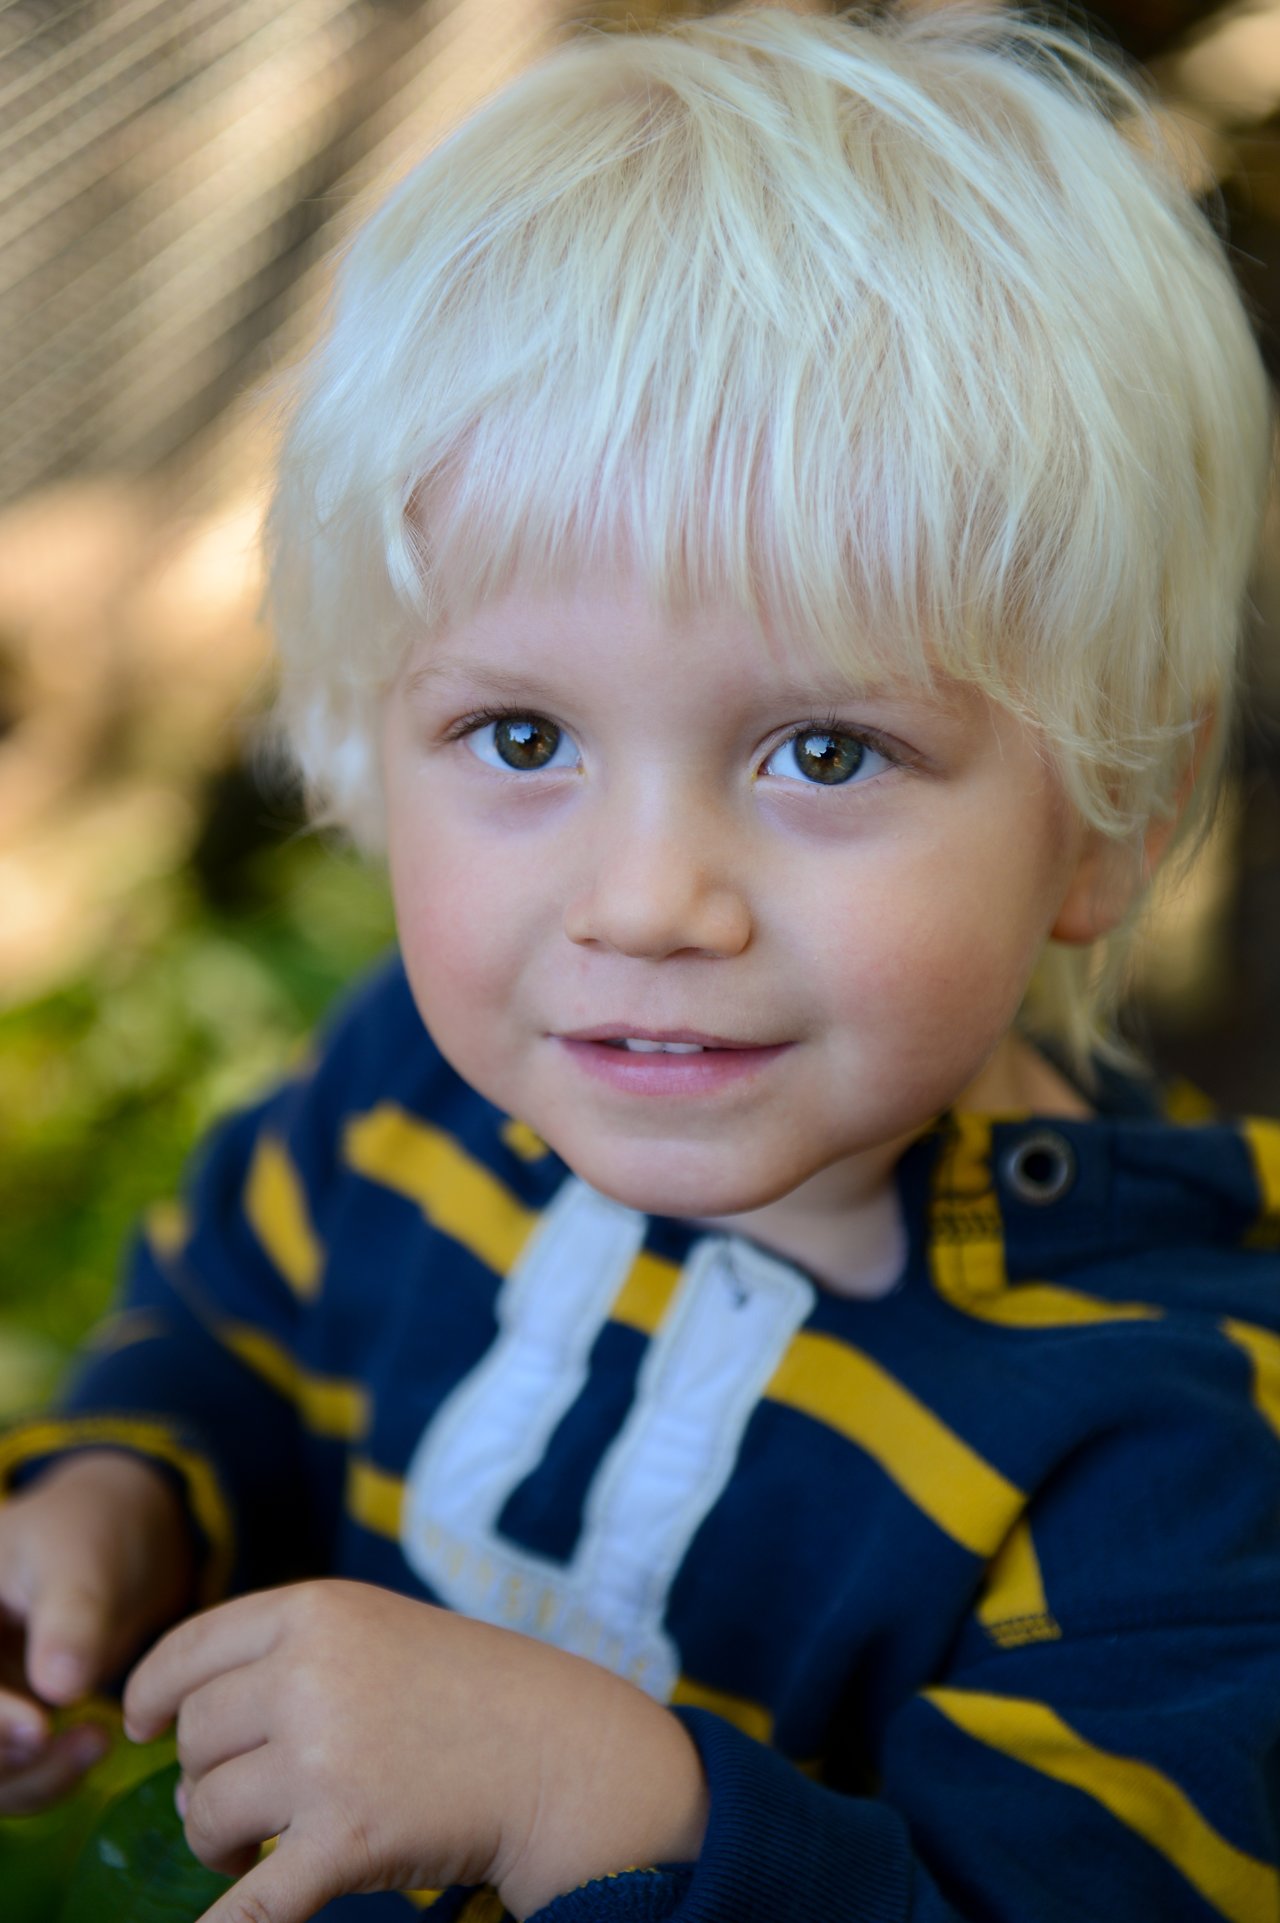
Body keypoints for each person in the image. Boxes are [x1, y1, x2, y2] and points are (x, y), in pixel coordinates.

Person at [1, 5, 1277, 1919]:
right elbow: (223, 1342)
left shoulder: (1170, 1437)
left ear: (1105, 815)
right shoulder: (407, 1097)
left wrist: (604, 1802)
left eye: (824, 751)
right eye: (523, 738)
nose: (648, 901)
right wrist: (113, 1503)